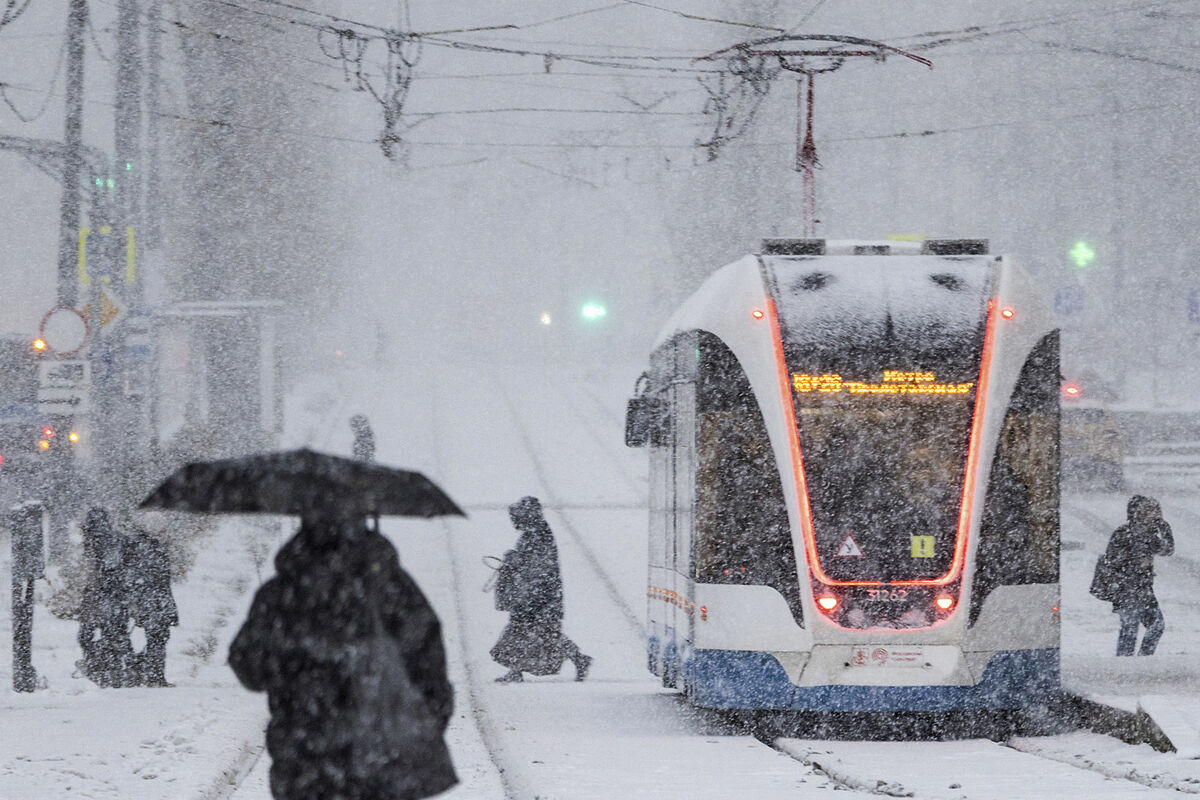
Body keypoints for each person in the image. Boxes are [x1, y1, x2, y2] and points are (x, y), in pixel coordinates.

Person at [228, 508, 456, 800]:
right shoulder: (393, 589)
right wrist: (427, 721)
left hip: (303, 756)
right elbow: (429, 665)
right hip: (383, 755)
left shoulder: (281, 593)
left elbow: (249, 667)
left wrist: (293, 664)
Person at [491, 496, 592, 683]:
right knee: (535, 632)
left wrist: (515, 560)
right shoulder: (535, 532)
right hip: (534, 592)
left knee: (530, 632)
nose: (515, 521)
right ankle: (577, 659)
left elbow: (539, 566)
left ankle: (517, 669)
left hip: (537, 594)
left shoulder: (538, 534)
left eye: (518, 516)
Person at [1099, 495, 1174, 656]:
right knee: (1130, 630)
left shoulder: (1149, 534)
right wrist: (1136, 564)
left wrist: (1163, 526)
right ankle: (1124, 664)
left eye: (1155, 512)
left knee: (1157, 625)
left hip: (1144, 590)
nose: (1153, 516)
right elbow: (1112, 560)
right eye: (1149, 511)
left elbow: (1168, 549)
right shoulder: (1122, 533)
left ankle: (1143, 659)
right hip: (1126, 589)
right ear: (1137, 513)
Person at [76, 507, 136, 688]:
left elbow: (109, 569)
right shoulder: (115, 538)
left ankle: (103, 670)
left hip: (104, 596)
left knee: (95, 635)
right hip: (113, 596)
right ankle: (112, 670)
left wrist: (101, 591)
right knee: (116, 635)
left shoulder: (103, 540)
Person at [124, 510, 179, 687]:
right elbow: (155, 580)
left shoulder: (144, 546)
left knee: (158, 638)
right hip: (152, 601)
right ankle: (152, 675)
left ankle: (144, 671)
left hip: (153, 601)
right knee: (158, 638)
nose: (165, 532)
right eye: (162, 528)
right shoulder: (150, 548)